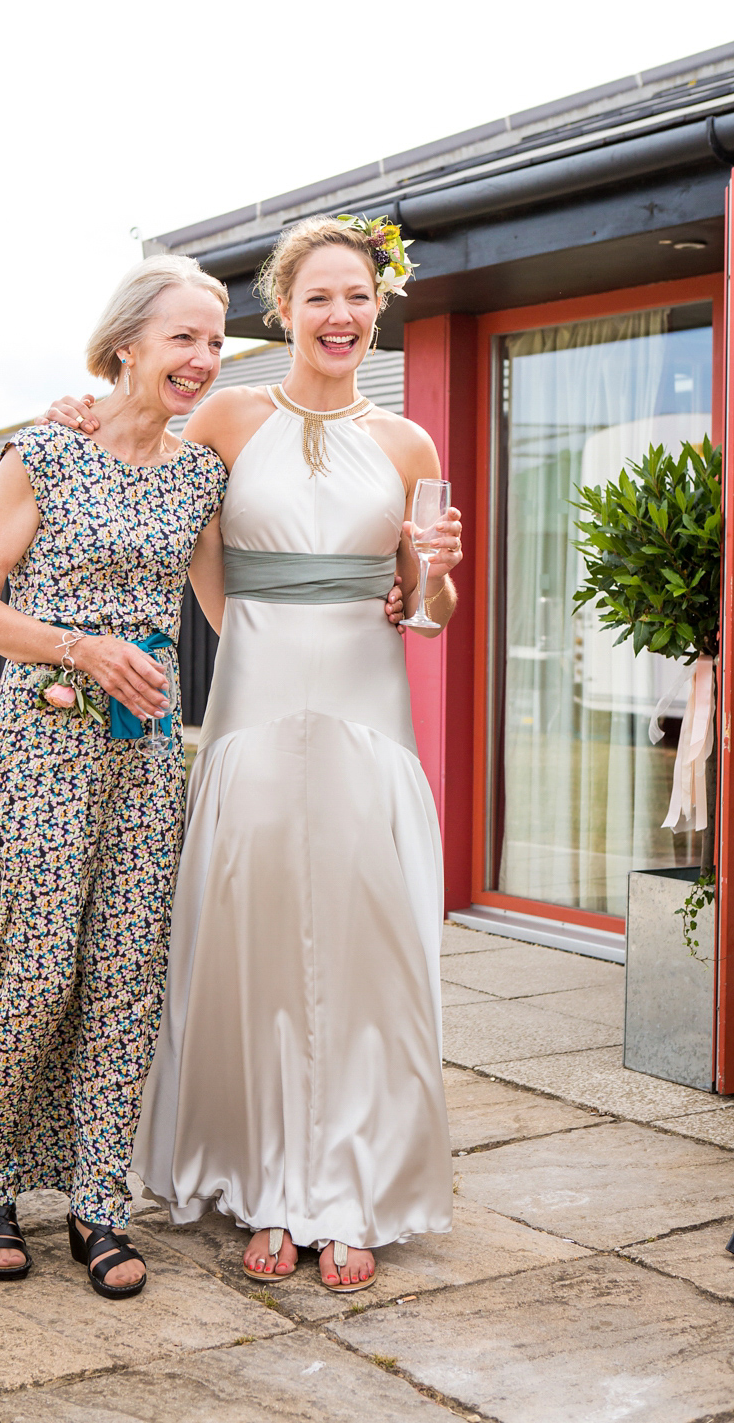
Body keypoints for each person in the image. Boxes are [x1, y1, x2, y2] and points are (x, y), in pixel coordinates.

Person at [43, 214, 462, 1293]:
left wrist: (440, 574)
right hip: (253, 710)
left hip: (371, 718)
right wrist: (76, 414)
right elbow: (132, 476)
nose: (342, 315)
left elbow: (432, 616)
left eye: (359, 297)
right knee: (254, 940)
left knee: (370, 949)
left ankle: (358, 1189)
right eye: (319, 297)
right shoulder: (226, 416)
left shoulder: (410, 445)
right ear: (283, 311)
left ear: (380, 308)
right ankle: (271, 1183)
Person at [0, 253, 233, 1299]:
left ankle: (96, 1201)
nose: (203, 360)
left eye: (215, 342)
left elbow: (233, 611)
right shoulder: (44, 452)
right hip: (41, 750)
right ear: (126, 344)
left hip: (144, 760)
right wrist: (81, 648)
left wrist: (385, 599)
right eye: (184, 338)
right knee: (37, 966)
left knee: (126, 973)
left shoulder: (200, 475)